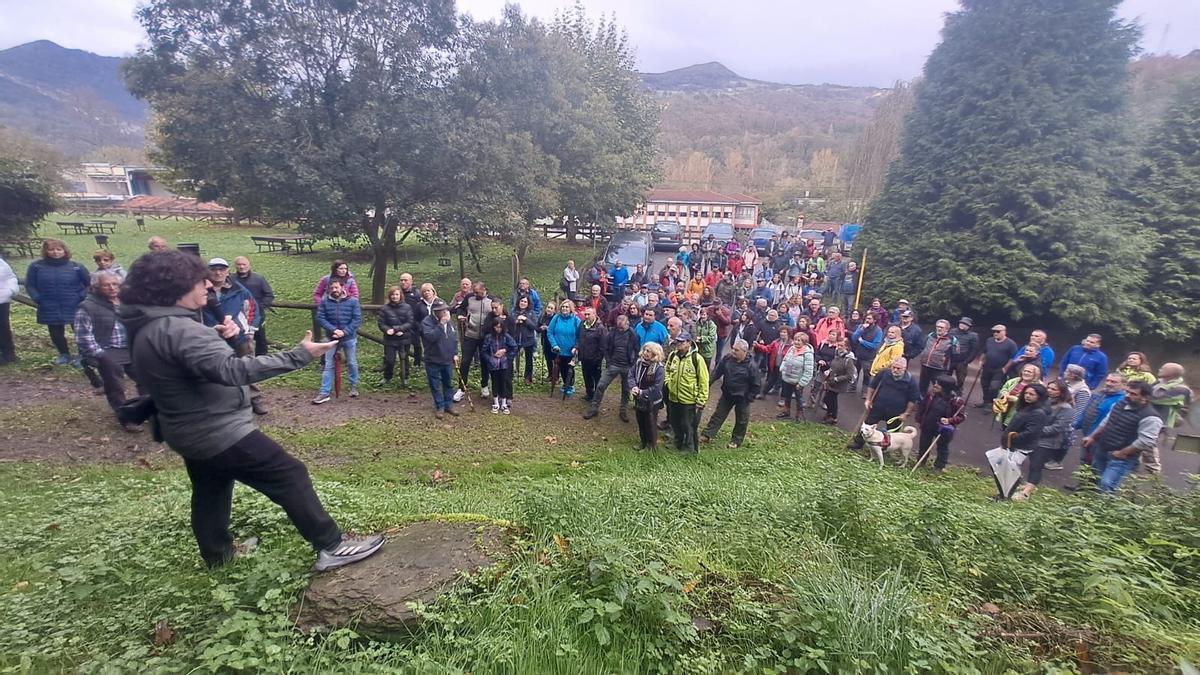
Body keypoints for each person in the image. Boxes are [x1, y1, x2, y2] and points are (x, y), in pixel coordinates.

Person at [119, 249, 383, 571]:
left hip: (186, 431)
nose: (208, 284)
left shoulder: (152, 327)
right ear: (174, 287)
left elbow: (184, 369)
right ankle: (331, 545)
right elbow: (234, 372)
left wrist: (217, 341)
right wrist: (300, 355)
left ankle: (218, 556)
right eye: (198, 280)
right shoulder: (181, 330)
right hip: (217, 431)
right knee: (289, 474)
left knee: (211, 490)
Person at [74, 271, 140, 431]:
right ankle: (126, 418)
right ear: (96, 287)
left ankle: (150, 411)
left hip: (132, 347)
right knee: (115, 386)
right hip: (107, 350)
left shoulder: (129, 302)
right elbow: (83, 337)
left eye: (115, 284)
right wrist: (101, 355)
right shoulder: (87, 307)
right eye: (106, 285)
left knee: (147, 380)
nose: (111, 288)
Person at [203, 258, 266, 415]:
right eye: (214, 269)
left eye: (221, 269)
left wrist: (250, 331)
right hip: (212, 338)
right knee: (216, 370)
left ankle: (254, 399)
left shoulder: (238, 289)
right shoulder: (200, 290)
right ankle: (224, 403)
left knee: (247, 368)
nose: (218, 273)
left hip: (240, 337)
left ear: (227, 271)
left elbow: (252, 308)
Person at [1083, 381, 1163, 493]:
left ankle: (1105, 508)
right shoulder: (1120, 404)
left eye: (1133, 394)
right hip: (1103, 449)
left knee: (1107, 485)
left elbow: (1146, 441)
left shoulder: (1151, 417)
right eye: (1127, 392)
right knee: (1097, 481)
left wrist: (1123, 453)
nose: (1128, 395)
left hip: (1121, 457)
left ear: (1145, 397)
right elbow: (1106, 421)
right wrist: (1092, 437)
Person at [25, 239, 90, 366]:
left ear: (64, 251)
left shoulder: (76, 266)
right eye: (51, 250)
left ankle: (83, 355)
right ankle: (64, 354)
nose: (55, 252)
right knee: (55, 331)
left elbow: (89, 284)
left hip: (74, 303)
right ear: (46, 251)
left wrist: (80, 296)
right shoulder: (36, 267)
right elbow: (30, 285)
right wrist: (37, 298)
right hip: (49, 303)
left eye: (59, 249)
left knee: (79, 330)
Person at [1014, 380, 1074, 500]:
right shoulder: (1042, 402)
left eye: (1054, 389)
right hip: (1030, 438)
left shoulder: (1066, 408)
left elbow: (1058, 427)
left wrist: (1035, 431)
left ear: (1062, 392)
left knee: (1036, 465)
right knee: (1018, 461)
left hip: (1047, 442)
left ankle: (1026, 492)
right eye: (1049, 388)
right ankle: (1019, 483)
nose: (1050, 391)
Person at [848, 357, 922, 451]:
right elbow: (872, 386)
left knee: (893, 432)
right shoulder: (884, 373)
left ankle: (886, 449)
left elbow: (913, 399)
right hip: (878, 406)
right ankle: (858, 442)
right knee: (867, 425)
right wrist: (868, 399)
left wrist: (906, 413)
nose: (895, 370)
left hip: (896, 412)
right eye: (893, 367)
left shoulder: (911, 381)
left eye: (898, 368)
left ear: (905, 368)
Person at [700, 339, 761, 448]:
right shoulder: (727, 359)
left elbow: (756, 385)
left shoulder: (752, 366)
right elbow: (717, 372)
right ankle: (707, 434)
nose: (733, 351)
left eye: (736, 350)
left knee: (742, 420)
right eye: (733, 349)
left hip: (742, 397)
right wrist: (708, 384)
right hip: (727, 394)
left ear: (744, 352)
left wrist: (749, 398)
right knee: (718, 415)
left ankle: (736, 441)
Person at [313, 279, 361, 404]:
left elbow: (356, 319)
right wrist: (333, 330)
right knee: (329, 365)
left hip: (349, 337)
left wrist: (344, 332)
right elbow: (321, 318)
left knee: (351, 362)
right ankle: (324, 392)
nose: (334, 290)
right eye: (332, 288)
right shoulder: (324, 302)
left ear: (342, 287)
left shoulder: (353, 302)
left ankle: (353, 385)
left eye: (336, 287)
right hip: (331, 337)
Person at [584, 313, 639, 422]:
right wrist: (608, 361)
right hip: (613, 364)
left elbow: (637, 349)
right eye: (619, 327)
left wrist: (633, 363)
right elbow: (606, 348)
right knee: (601, 385)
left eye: (622, 327)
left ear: (627, 323)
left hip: (627, 365)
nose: (620, 329)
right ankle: (594, 408)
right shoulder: (612, 332)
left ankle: (623, 411)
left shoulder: (632, 334)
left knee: (626, 390)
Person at [1000, 383, 1050, 499]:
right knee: (1008, 468)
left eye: (1031, 394)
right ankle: (1005, 492)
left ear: (1039, 396)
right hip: (1012, 443)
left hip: (1021, 446)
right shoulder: (1025, 408)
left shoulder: (1038, 413)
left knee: (1012, 469)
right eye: (1026, 393)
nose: (1027, 396)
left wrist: (1012, 438)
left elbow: (1031, 432)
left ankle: (1007, 494)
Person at [664, 331, 709, 454]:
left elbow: (704, 380)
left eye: (681, 341)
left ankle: (690, 448)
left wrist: (701, 399)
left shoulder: (697, 359)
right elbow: (667, 370)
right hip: (673, 397)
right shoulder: (673, 356)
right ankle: (677, 443)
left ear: (689, 343)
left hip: (689, 399)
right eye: (677, 341)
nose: (678, 344)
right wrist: (668, 383)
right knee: (675, 422)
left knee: (688, 425)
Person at [1075, 371, 1127, 466]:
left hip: (1102, 439)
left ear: (1124, 385)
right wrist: (1076, 424)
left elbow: (1112, 421)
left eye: (1113, 382)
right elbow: (1086, 410)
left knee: (1096, 464)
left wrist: (1095, 436)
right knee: (1084, 461)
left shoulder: (1122, 400)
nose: (1109, 384)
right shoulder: (1099, 394)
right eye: (1107, 380)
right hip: (1087, 434)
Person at [915, 375, 965, 473]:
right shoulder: (931, 395)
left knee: (942, 448)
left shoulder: (956, 401)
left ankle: (939, 466)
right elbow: (922, 406)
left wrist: (950, 420)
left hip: (944, 429)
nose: (935, 386)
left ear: (945, 388)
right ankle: (921, 461)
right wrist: (919, 419)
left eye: (938, 385)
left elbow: (961, 416)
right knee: (924, 444)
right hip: (928, 424)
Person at [420, 300, 461, 419]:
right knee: (435, 385)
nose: (445, 312)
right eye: (442, 310)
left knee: (448, 383)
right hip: (433, 359)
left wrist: (455, 353)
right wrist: (441, 324)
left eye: (446, 309)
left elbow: (454, 338)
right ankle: (440, 406)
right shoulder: (427, 322)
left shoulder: (449, 322)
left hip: (447, 359)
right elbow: (430, 337)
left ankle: (449, 404)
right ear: (435, 311)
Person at [1148, 363, 1191, 474]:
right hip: (1149, 415)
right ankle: (1138, 466)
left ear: (1172, 373)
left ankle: (1154, 469)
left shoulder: (1182, 389)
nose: (1160, 369)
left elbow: (1158, 399)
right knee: (1144, 441)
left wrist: (1144, 396)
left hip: (1162, 420)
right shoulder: (1159, 382)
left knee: (1149, 442)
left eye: (1163, 368)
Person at [456, 282, 493, 401]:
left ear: (484, 290)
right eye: (474, 292)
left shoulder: (492, 299)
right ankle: (461, 388)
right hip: (470, 334)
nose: (475, 294)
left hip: (485, 336)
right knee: (465, 361)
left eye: (477, 292)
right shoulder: (469, 298)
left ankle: (484, 385)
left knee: (484, 362)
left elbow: (499, 312)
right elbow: (461, 309)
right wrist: (461, 315)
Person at [233, 257, 274, 356]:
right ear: (235, 266)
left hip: (257, 315)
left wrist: (259, 307)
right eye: (239, 264)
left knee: (260, 338)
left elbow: (269, 295)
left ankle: (262, 360)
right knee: (238, 337)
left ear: (249, 265)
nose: (242, 267)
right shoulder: (231, 279)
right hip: (237, 315)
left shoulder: (259, 279)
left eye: (244, 264)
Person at [629, 342, 666, 450]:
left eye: (648, 351)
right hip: (639, 398)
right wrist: (633, 387)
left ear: (655, 354)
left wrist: (642, 392)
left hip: (652, 401)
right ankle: (643, 442)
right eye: (644, 350)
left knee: (650, 423)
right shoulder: (639, 363)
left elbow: (657, 387)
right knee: (640, 421)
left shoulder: (659, 368)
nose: (645, 353)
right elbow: (631, 375)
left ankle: (652, 446)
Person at [378, 285, 415, 388]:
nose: (394, 297)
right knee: (389, 360)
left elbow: (410, 322)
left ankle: (405, 377)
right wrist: (387, 330)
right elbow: (381, 323)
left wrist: (398, 329)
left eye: (396, 294)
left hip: (404, 337)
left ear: (400, 296)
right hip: (390, 339)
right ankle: (387, 376)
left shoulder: (407, 307)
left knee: (405, 359)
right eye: (393, 295)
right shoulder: (385, 309)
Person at [482, 317, 517, 414]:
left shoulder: (506, 336)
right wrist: (490, 359)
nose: (498, 329)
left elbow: (514, 347)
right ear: (493, 327)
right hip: (493, 364)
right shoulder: (488, 337)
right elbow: (484, 351)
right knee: (494, 382)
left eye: (500, 327)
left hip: (504, 364)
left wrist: (506, 354)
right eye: (496, 327)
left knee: (503, 382)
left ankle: (504, 403)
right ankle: (496, 402)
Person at [978, 324, 1019, 407]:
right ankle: (985, 401)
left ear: (1004, 332)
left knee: (994, 387)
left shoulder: (1011, 344)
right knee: (984, 384)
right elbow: (984, 351)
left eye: (998, 331)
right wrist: (981, 361)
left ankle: (991, 403)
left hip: (999, 369)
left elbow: (1013, 358)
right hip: (987, 367)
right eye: (994, 331)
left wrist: (1005, 368)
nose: (995, 333)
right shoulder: (989, 340)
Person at [777, 331, 814, 422]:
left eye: (799, 341)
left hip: (798, 381)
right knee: (787, 396)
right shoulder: (792, 349)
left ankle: (799, 415)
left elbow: (808, 370)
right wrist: (782, 369)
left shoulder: (808, 354)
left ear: (804, 342)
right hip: (787, 378)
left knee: (799, 398)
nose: (796, 342)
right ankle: (786, 411)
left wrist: (802, 383)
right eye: (796, 340)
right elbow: (785, 359)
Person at [547, 300, 582, 397]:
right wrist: (554, 345)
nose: (564, 309)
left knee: (569, 368)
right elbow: (550, 332)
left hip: (571, 350)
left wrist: (576, 347)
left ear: (571, 308)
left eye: (566, 307)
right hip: (558, 350)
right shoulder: (556, 318)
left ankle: (570, 385)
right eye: (563, 307)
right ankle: (564, 384)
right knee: (561, 368)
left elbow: (581, 335)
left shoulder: (576, 320)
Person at [820, 338, 858, 425]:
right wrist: (829, 371)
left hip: (839, 384)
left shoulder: (849, 360)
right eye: (838, 345)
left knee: (832, 399)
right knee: (828, 399)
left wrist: (836, 379)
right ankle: (829, 413)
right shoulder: (837, 355)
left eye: (842, 346)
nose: (839, 347)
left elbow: (849, 375)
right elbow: (834, 366)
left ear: (847, 347)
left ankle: (833, 417)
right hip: (831, 381)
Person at [995, 363, 1043, 429]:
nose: (1026, 373)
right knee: (1005, 428)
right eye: (1024, 371)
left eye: (1029, 372)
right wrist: (1005, 393)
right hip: (1007, 409)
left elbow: (1035, 400)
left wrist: (1015, 399)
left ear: (1035, 374)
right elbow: (1004, 388)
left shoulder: (1038, 386)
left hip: (1022, 414)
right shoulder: (1015, 380)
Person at [575, 306, 607, 402]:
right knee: (586, 377)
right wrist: (577, 347)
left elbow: (603, 346)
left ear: (594, 315)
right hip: (584, 357)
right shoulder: (582, 324)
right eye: (585, 314)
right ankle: (589, 394)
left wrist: (598, 359)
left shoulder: (600, 328)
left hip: (595, 359)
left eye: (589, 314)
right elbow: (578, 337)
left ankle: (597, 397)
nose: (587, 316)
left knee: (596, 378)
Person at [918, 319, 957, 394]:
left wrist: (946, 364)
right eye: (938, 326)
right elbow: (923, 346)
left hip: (939, 369)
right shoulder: (930, 335)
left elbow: (956, 355)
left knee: (939, 389)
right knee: (922, 386)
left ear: (947, 329)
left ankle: (937, 403)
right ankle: (921, 402)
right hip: (925, 366)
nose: (939, 328)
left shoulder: (952, 340)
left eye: (941, 327)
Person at [510, 296, 539, 385]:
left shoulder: (531, 313)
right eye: (521, 301)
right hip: (515, 338)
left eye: (525, 302)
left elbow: (534, 326)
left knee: (528, 359)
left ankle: (528, 377)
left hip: (528, 339)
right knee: (510, 357)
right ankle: (509, 375)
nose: (523, 303)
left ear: (528, 303)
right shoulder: (513, 312)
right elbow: (509, 325)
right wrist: (516, 321)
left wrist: (526, 319)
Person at [851, 312, 882, 393]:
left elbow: (875, 345)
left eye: (869, 319)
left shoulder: (878, 331)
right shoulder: (861, 327)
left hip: (869, 357)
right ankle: (852, 387)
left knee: (866, 375)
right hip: (858, 354)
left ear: (874, 320)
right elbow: (854, 338)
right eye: (866, 318)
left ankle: (865, 391)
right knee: (854, 372)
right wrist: (861, 330)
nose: (867, 320)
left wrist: (862, 342)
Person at [949, 317, 979, 390]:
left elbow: (974, 350)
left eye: (965, 324)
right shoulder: (952, 331)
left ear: (969, 326)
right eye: (961, 323)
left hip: (962, 361)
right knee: (945, 377)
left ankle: (958, 394)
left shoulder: (973, 336)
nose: (962, 325)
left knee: (960, 380)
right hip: (950, 359)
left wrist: (966, 361)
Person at [0, 255, 17, 364]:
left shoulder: (1, 263)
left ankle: (8, 355)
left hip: (1, 299)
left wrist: (11, 291)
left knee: (2, 327)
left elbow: (10, 278)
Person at [538, 300, 558, 384]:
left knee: (555, 360)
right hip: (545, 341)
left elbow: (557, 329)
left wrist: (548, 328)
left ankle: (556, 377)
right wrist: (541, 328)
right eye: (548, 307)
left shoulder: (556, 318)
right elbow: (537, 327)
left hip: (554, 342)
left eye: (551, 308)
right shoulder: (542, 316)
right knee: (548, 359)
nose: (549, 309)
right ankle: (550, 375)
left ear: (554, 310)